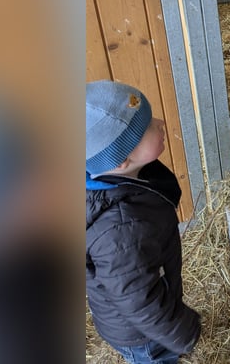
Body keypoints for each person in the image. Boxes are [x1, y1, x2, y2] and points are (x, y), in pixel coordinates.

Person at [86, 80, 200, 363]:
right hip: (143, 337)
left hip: (137, 321)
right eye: (147, 126)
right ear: (121, 159)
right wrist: (183, 332)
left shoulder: (122, 182)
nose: (161, 123)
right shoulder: (122, 228)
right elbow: (141, 301)